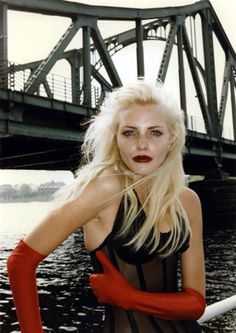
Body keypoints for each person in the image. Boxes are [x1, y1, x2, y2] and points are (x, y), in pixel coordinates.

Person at [7, 78, 206, 333]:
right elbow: (20, 262)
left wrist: (128, 297)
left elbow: (195, 304)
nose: (141, 144)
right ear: (116, 139)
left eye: (154, 132)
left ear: (172, 139)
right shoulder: (105, 189)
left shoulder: (187, 201)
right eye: (129, 132)